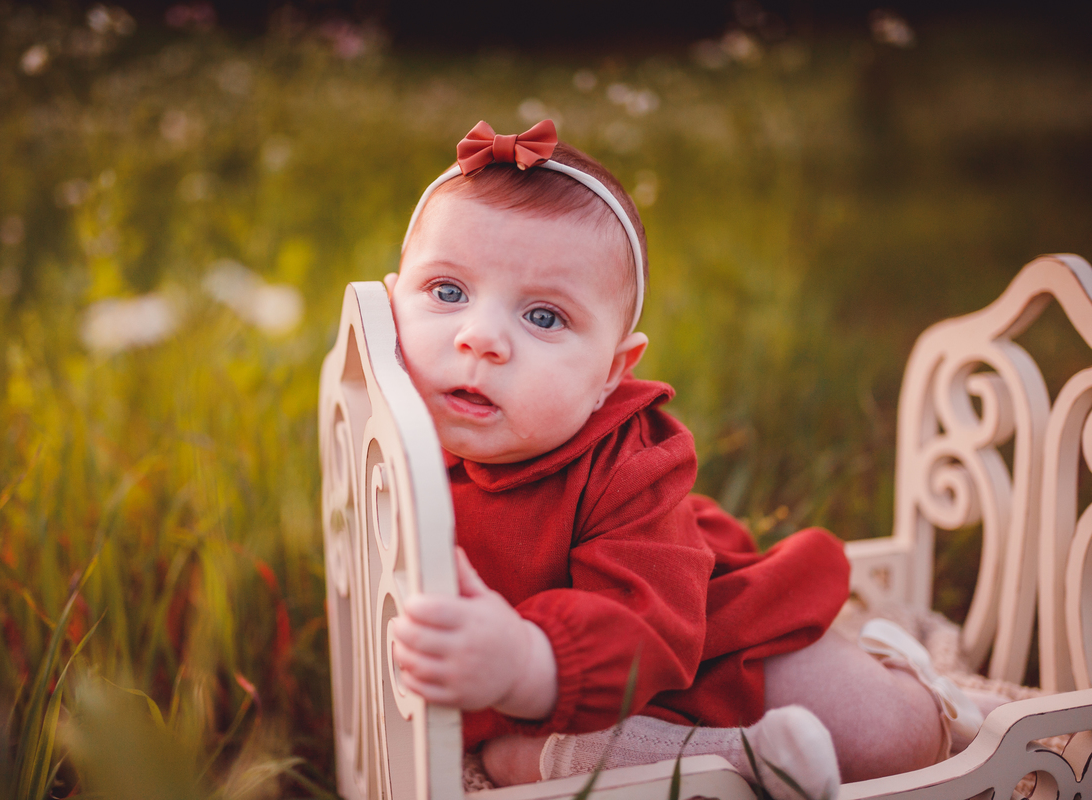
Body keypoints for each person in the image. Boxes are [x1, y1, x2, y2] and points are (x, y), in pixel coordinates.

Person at [382, 119, 991, 799]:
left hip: (702, 643)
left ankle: (928, 692)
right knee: (511, 759)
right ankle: (744, 758)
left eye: (544, 317)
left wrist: (528, 660)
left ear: (611, 373)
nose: (480, 338)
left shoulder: (630, 463)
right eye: (447, 291)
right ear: (388, 303)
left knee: (888, 739)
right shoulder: (399, 433)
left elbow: (652, 628)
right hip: (545, 694)